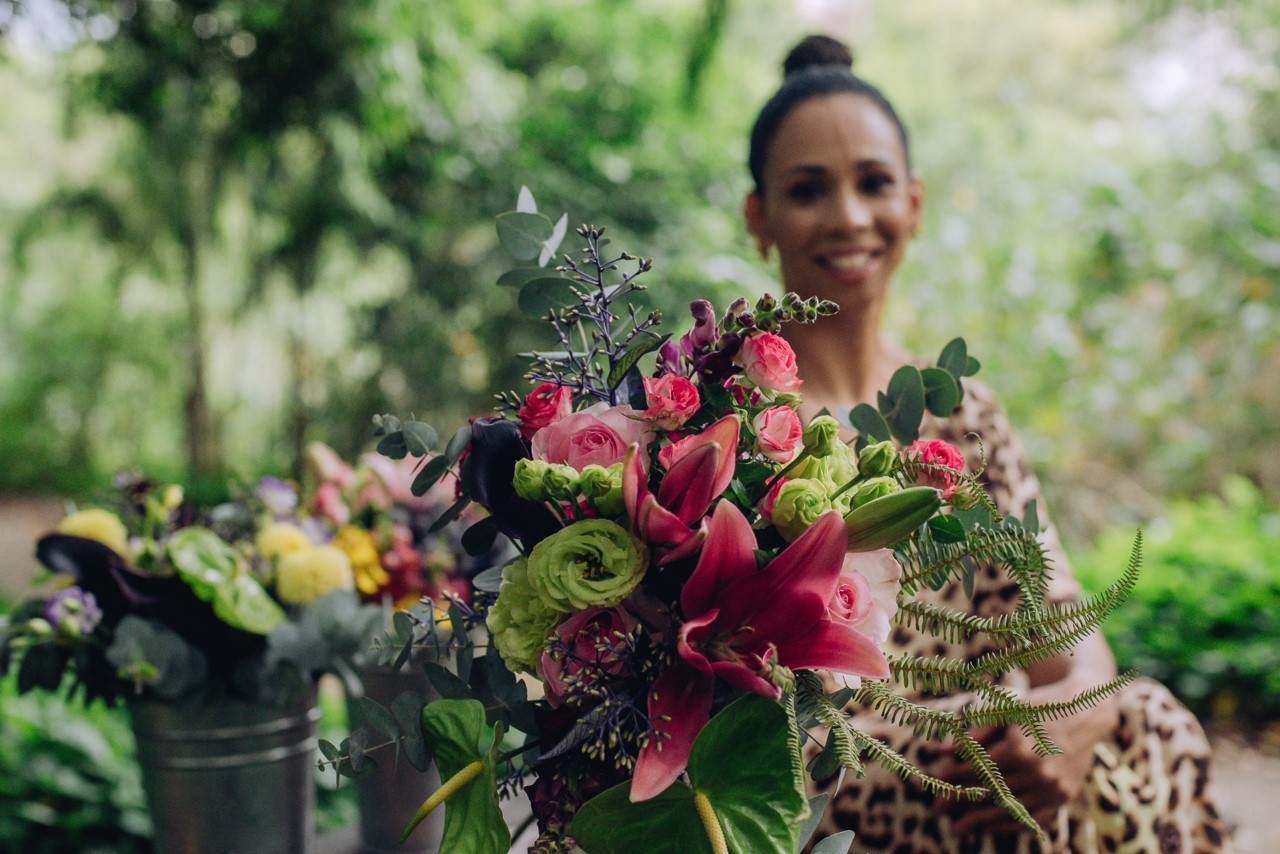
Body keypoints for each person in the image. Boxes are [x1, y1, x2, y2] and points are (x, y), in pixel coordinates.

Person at [744, 34, 1232, 853]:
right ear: (760, 217)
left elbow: (1067, 637)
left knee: (1138, 720)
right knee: (998, 775)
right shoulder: (728, 427)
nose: (851, 217)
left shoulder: (959, 413)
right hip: (827, 776)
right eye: (808, 189)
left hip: (993, 745)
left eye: (874, 184)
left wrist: (1076, 717)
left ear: (915, 203)